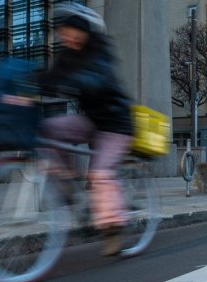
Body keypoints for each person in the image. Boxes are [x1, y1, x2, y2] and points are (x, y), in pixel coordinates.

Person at [38, 3, 133, 256]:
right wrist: (24, 86)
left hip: (116, 125)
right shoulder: (67, 56)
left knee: (100, 175)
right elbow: (49, 79)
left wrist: (72, 80)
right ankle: (67, 180)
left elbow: (98, 79)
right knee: (47, 128)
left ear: (83, 32)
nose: (64, 36)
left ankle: (113, 230)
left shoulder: (100, 51)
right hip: (89, 121)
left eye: (68, 31)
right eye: (61, 32)